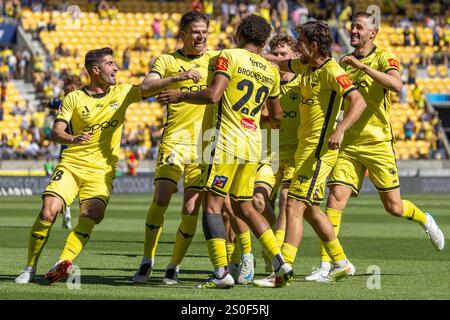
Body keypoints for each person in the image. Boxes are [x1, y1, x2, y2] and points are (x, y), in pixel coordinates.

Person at [14, 47, 201, 284]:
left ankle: (62, 262)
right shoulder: (74, 98)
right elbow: (56, 132)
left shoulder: (122, 92)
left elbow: (146, 88)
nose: (116, 68)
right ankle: (29, 267)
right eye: (110, 63)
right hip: (72, 164)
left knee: (92, 214)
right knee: (48, 210)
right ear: (95, 69)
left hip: (101, 171)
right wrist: (73, 139)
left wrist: (177, 78)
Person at [305, 12, 445, 282]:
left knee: (393, 207)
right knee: (334, 200)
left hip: (378, 142)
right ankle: (328, 264)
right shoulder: (342, 63)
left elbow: (396, 84)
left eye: (359, 27)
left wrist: (364, 68)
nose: (353, 30)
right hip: (348, 144)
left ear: (373, 33)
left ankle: (425, 220)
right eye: (352, 26)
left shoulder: (384, 57)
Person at [159, 14, 292, 289]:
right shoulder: (270, 70)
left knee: (213, 205)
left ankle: (221, 273)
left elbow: (212, 95)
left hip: (225, 143)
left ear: (239, 35)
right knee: (244, 205)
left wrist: (180, 95)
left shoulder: (229, 57)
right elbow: (276, 117)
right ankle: (279, 261)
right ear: (264, 40)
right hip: (253, 144)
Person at [257, 20, 367, 287]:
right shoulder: (306, 66)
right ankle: (341, 263)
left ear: (314, 46)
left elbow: (358, 100)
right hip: (305, 152)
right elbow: (281, 63)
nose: (296, 47)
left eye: (300, 42)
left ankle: (283, 272)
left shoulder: (332, 70)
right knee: (309, 209)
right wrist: (252, 54)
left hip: (319, 153)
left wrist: (341, 128)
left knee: (293, 205)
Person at [132, 11, 220, 285]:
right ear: (182, 34)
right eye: (195, 31)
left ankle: (174, 265)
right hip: (175, 140)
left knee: (192, 208)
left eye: (204, 31)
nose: (201, 36)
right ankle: (147, 260)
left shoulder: (217, 60)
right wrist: (178, 77)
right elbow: (146, 86)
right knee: (161, 199)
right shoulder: (167, 60)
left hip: (206, 145)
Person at [251, 34, 302, 285]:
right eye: (276, 54)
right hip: (269, 148)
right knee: (257, 202)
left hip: (295, 151)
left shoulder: (303, 82)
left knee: (286, 198)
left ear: (294, 56)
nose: (279, 59)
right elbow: (261, 117)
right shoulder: (267, 80)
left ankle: (278, 260)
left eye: (284, 55)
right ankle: (271, 241)